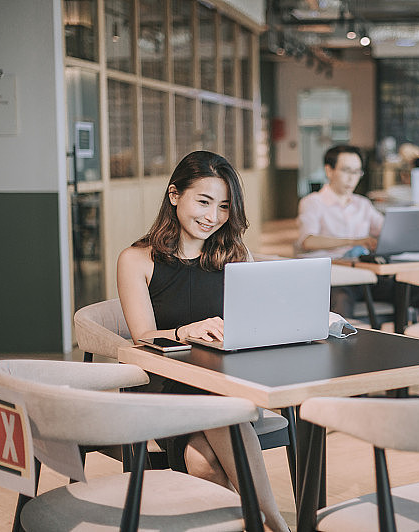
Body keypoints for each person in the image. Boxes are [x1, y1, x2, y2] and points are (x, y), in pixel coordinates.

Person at [117, 150, 290, 532]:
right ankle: (274, 522)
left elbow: (251, 324)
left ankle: (262, 524)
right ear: (175, 195)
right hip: (167, 389)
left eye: (224, 206)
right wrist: (183, 332)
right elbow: (141, 337)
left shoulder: (234, 256)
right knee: (212, 429)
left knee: (201, 457)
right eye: (204, 201)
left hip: (225, 381)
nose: (213, 216)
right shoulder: (137, 259)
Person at [296, 144, 419, 321]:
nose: (352, 178)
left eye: (357, 172)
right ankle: (340, 349)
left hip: (367, 276)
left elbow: (388, 231)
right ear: (329, 171)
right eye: (346, 171)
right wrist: (355, 242)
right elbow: (308, 241)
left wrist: (399, 237)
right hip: (337, 278)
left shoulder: (363, 204)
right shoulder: (312, 203)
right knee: (340, 299)